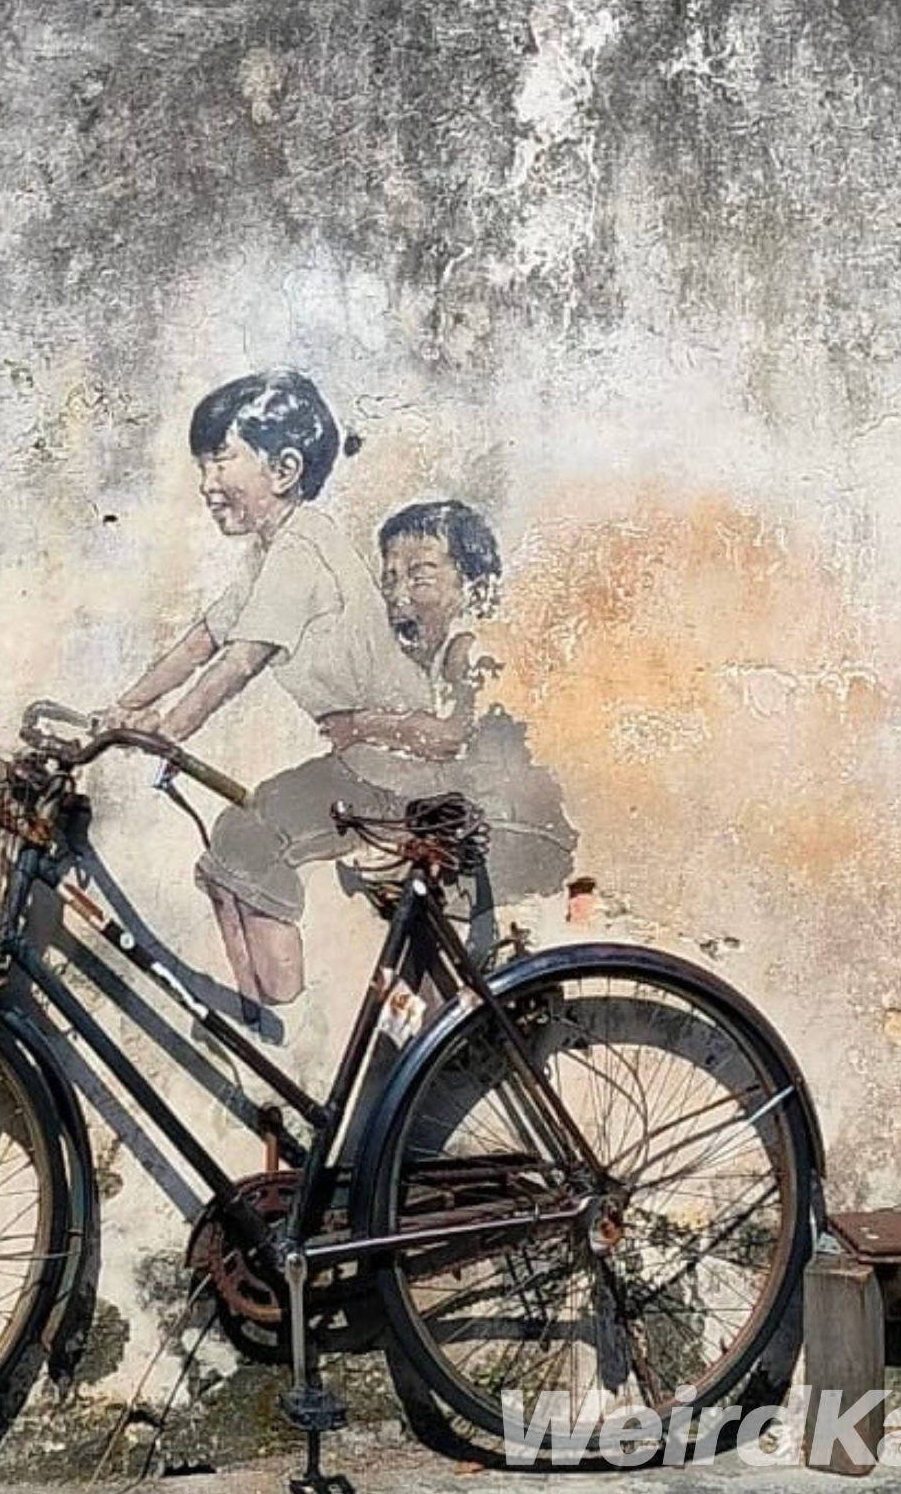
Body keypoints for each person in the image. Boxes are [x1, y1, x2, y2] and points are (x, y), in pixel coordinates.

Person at [101, 370, 432, 1027]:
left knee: (252, 845)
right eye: (201, 464)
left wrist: (170, 727)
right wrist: (119, 709)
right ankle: (255, 1020)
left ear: (283, 469)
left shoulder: (305, 547)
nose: (206, 482)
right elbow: (203, 640)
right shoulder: (269, 552)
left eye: (222, 458)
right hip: (361, 762)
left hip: (396, 767)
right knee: (232, 838)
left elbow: (241, 660)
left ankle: (290, 1022)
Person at [323, 498, 577, 914]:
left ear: (473, 587)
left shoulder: (467, 647)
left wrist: (360, 724)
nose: (398, 594)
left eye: (419, 577)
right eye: (390, 579)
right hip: (466, 824)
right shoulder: (423, 660)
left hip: (507, 832)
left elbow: (449, 737)